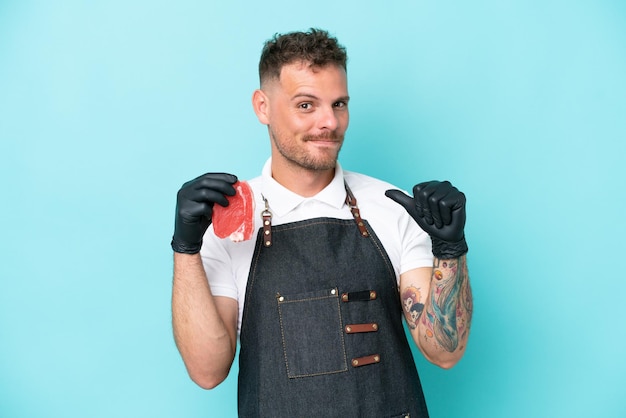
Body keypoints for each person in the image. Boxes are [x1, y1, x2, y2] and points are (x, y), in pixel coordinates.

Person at [171, 28, 473, 417]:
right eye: (306, 105)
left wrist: (450, 251)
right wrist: (186, 249)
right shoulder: (231, 220)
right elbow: (207, 371)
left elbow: (445, 353)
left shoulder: (392, 207)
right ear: (262, 106)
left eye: (339, 103)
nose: (329, 122)